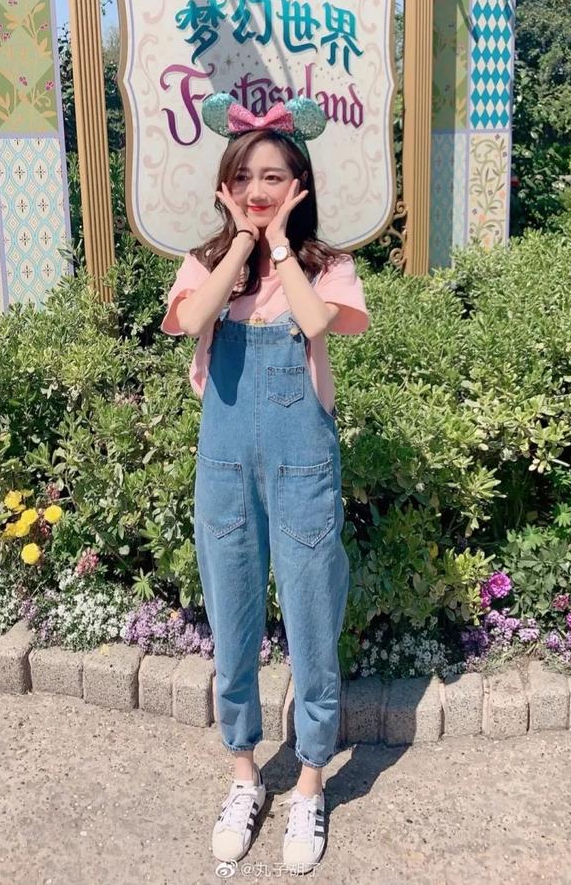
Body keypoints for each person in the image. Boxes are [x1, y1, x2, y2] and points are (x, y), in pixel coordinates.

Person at [161, 93, 370, 874]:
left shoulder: (325, 267)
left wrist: (279, 243)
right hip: (224, 470)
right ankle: (244, 774)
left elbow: (315, 324)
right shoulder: (205, 263)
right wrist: (242, 242)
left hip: (302, 467)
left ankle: (311, 780)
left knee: (312, 618)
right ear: (227, 182)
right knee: (234, 619)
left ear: (299, 184)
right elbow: (192, 321)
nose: (258, 188)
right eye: (245, 176)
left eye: (274, 176)